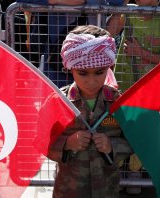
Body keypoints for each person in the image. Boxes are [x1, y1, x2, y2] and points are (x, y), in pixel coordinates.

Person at [46, 25, 132, 197]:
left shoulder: (118, 102)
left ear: (110, 67)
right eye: (83, 73)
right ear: (70, 68)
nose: (91, 81)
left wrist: (112, 146)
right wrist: (67, 143)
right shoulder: (59, 102)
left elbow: (135, 141)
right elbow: (41, 141)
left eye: (99, 73)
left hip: (106, 190)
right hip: (69, 191)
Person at [111, 0, 160, 91]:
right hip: (122, 83)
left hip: (148, 87)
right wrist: (123, 4)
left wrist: (140, 52)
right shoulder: (129, 10)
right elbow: (109, 33)